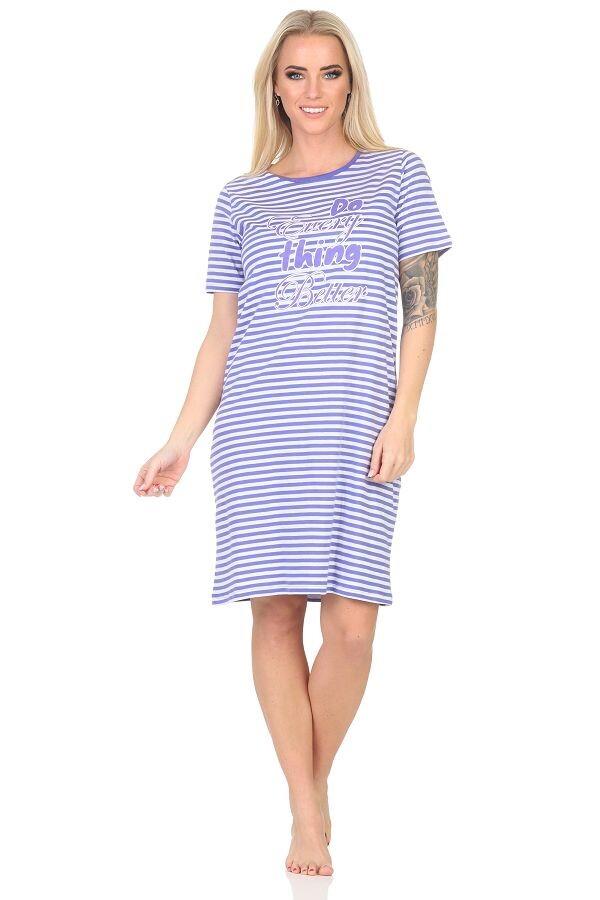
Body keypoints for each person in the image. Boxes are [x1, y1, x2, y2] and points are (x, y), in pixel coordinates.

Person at [133, 9, 452, 878]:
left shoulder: (398, 175)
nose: (314, 90)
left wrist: (405, 416)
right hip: (260, 431)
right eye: (297, 74)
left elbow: (422, 313)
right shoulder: (241, 198)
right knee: (276, 616)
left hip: (357, 429)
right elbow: (222, 332)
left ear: (351, 84)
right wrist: (180, 439)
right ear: (274, 88)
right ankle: (308, 812)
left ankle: (310, 784)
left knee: (351, 625)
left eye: (330, 73)